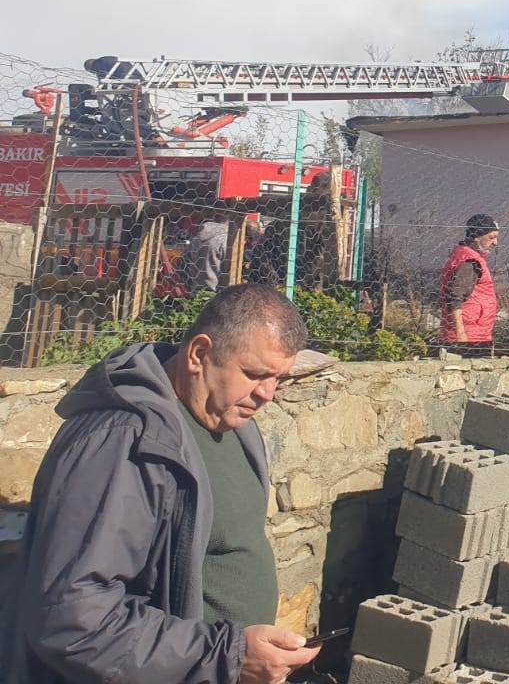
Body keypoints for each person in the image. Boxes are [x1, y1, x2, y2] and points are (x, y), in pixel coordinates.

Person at [3, 284, 320, 684]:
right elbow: (71, 616)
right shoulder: (122, 440)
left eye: (280, 379)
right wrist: (226, 657)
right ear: (199, 353)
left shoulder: (232, 421)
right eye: (256, 374)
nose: (267, 394)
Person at [439, 213, 500, 345]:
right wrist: (460, 335)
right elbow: (454, 297)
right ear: (477, 237)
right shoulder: (470, 262)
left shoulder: (465, 256)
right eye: (491, 237)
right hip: (468, 336)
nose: (495, 242)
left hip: (475, 332)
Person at [179, 215, 231, 293]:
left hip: (197, 292)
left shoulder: (196, 239)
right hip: (221, 295)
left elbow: (182, 264)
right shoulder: (227, 240)